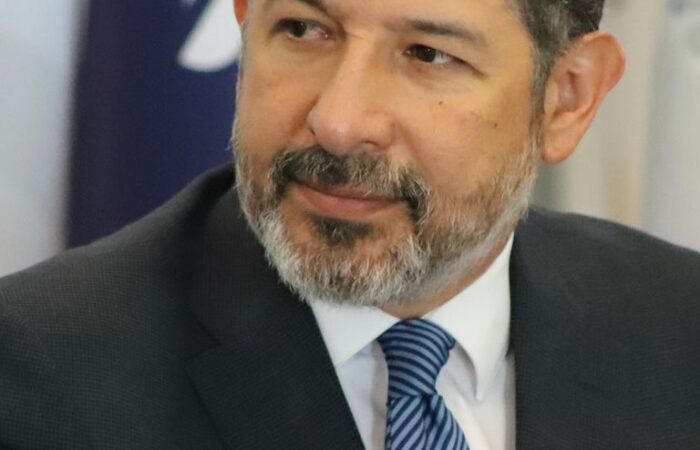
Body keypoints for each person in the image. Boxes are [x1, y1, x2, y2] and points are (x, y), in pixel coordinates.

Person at [0, 0, 698, 448]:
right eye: (303, 30)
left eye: (428, 54)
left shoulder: (680, 328)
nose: (337, 122)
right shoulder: (38, 382)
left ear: (568, 96)